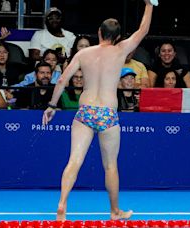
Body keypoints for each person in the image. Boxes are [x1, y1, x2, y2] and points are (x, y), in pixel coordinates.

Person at [42, 0, 155, 221]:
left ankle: (62, 204)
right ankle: (115, 212)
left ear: (99, 33)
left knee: (74, 160)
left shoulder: (84, 53)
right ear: (119, 37)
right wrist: (149, 5)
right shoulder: (121, 50)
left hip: (85, 112)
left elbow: (63, 79)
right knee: (111, 166)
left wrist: (51, 105)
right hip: (108, 114)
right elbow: (144, 30)